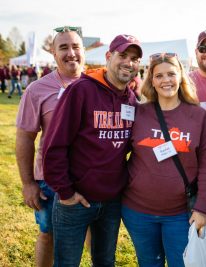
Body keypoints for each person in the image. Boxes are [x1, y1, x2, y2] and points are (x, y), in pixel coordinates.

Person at [43, 34, 142, 266]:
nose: (129, 62)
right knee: (67, 262)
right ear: (109, 57)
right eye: (123, 56)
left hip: (112, 201)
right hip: (75, 200)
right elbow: (54, 146)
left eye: (135, 58)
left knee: (105, 261)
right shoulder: (81, 91)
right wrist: (66, 192)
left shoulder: (132, 100)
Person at [122, 52, 206, 267]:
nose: (166, 80)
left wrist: (202, 208)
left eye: (171, 74)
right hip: (137, 211)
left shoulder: (198, 116)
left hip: (181, 214)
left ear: (181, 77)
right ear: (151, 81)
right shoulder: (138, 113)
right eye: (159, 75)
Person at [15, 26, 85, 267]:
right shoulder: (37, 90)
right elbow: (25, 137)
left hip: (90, 179)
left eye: (75, 46)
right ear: (53, 53)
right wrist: (28, 183)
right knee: (48, 234)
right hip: (50, 181)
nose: (71, 53)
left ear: (83, 50)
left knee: (93, 237)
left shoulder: (98, 85)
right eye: (63, 47)